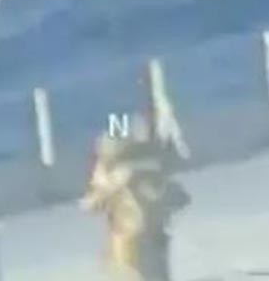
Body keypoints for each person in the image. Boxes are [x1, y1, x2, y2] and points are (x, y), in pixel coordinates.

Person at [81, 114, 189, 281]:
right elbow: (179, 198)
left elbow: (91, 205)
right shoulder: (147, 172)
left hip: (130, 242)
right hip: (151, 239)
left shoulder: (117, 177)